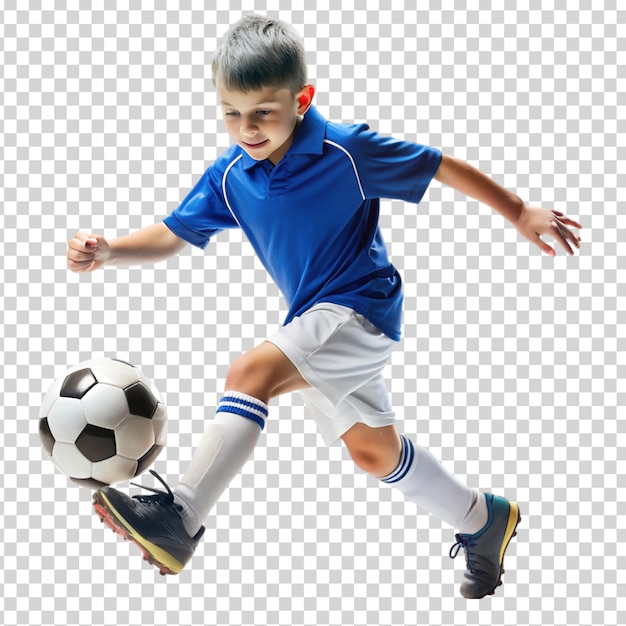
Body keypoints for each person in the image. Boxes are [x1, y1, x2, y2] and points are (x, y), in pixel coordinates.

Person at [66, 14, 582, 599]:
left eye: (263, 111)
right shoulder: (232, 175)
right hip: (314, 320)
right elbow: (173, 233)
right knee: (372, 450)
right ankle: (482, 520)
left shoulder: (346, 150)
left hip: (360, 306)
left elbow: (441, 167)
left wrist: (518, 213)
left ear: (302, 100)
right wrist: (111, 250)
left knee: (250, 373)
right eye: (231, 112)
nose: (247, 127)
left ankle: (180, 517)